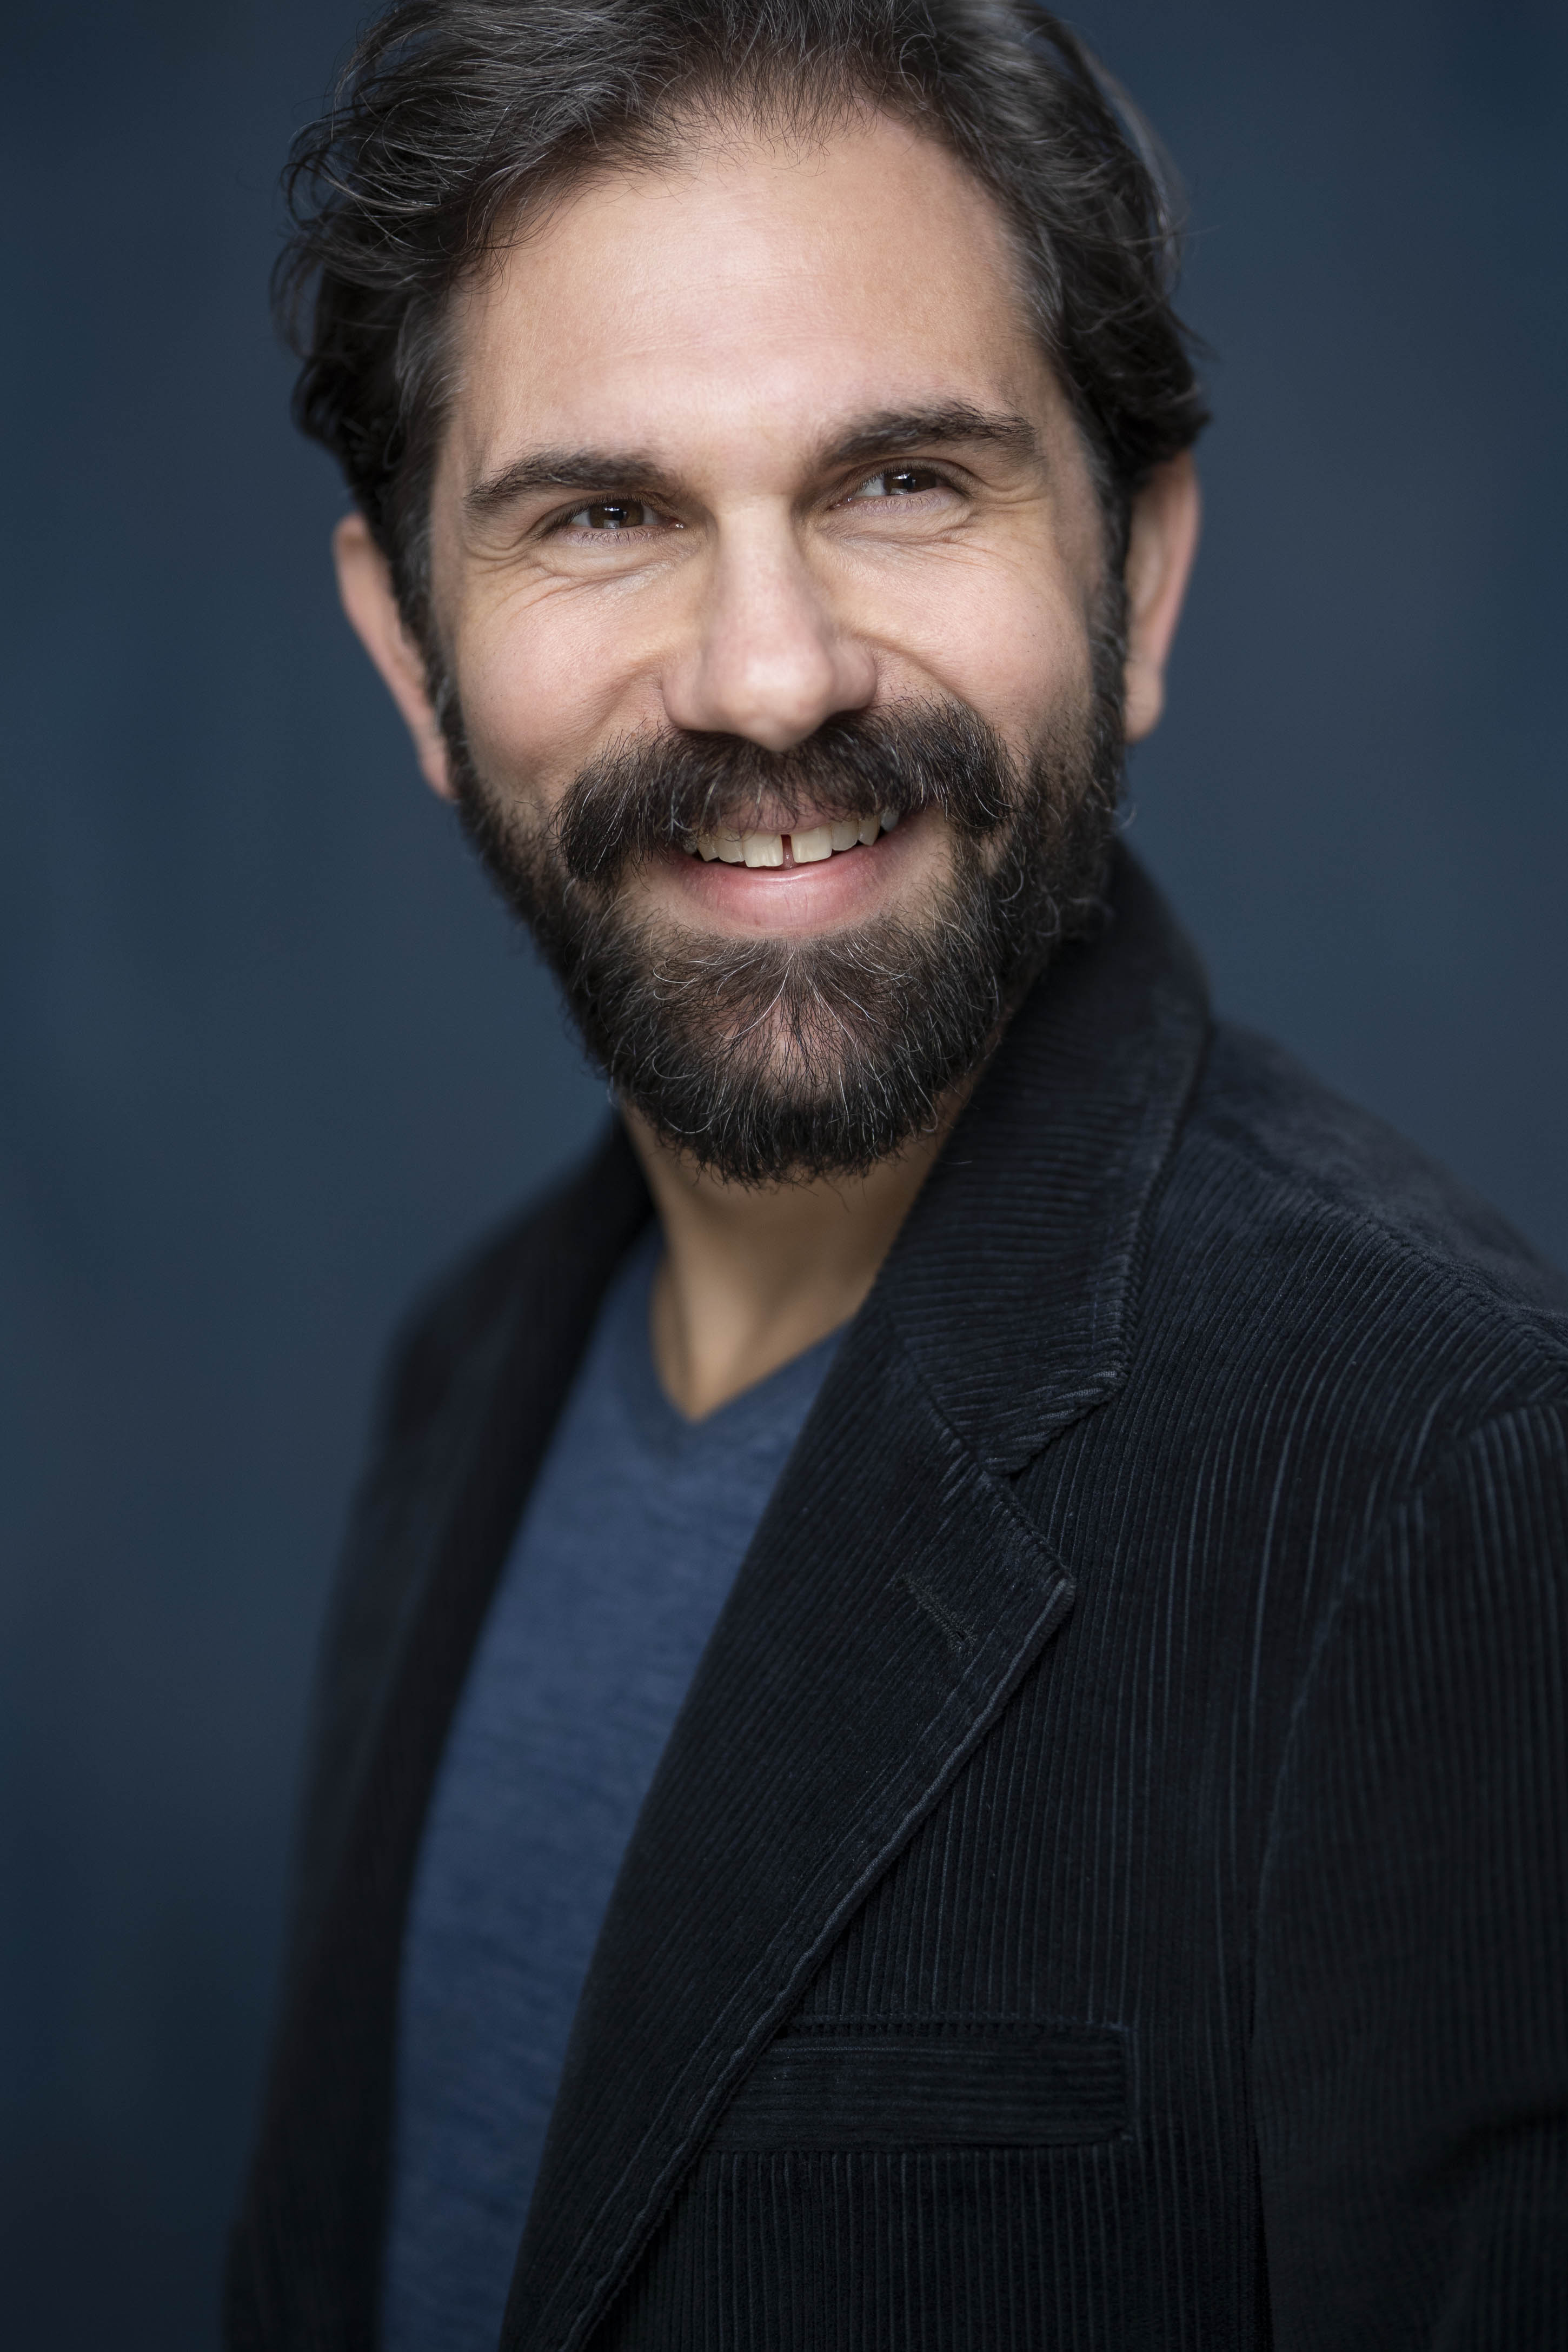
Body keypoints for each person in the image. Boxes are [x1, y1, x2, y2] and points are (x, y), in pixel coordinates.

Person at [228, 3, 1568, 2346]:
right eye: (605, 516)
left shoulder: (1444, 1476)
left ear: (1138, 582)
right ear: (414, 657)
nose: (768, 676)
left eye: (902, 482)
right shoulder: (462, 1376)